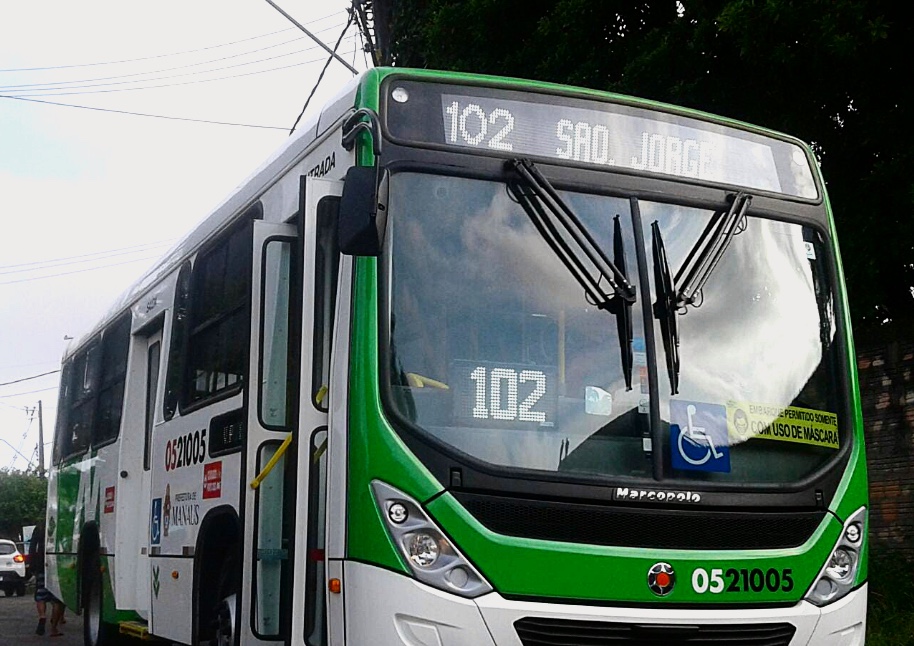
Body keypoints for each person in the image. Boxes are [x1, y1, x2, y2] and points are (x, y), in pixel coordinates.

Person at [30, 521, 65, 636]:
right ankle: (53, 629)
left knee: (40, 595)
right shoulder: (61, 524)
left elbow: (32, 546)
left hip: (41, 565)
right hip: (57, 566)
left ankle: (42, 616)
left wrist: (32, 564)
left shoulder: (39, 527)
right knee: (57, 600)